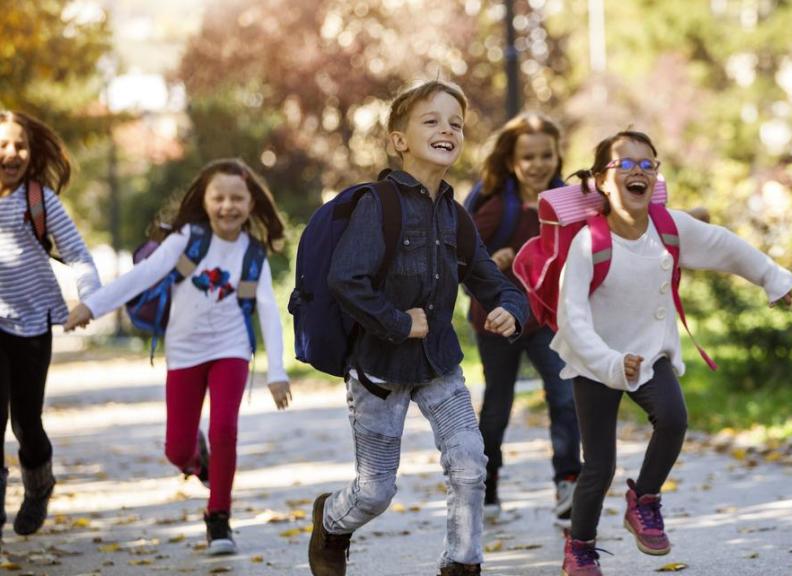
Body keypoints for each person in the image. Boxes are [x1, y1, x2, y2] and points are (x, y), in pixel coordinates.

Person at [306, 80, 528, 576]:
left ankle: (461, 564)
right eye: (431, 120)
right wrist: (397, 321)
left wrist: (512, 311)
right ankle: (331, 521)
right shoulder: (378, 205)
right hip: (378, 371)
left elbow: (495, 284)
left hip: (439, 365)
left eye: (456, 123)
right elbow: (346, 279)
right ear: (399, 140)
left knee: (470, 462)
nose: (447, 129)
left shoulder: (457, 217)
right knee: (375, 491)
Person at [551, 130, 792, 575]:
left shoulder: (669, 228)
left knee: (675, 418)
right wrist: (607, 361)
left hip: (649, 355)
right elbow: (573, 319)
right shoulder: (589, 243)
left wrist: (773, 279)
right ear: (603, 181)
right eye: (625, 164)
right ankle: (580, 547)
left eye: (648, 163)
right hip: (595, 362)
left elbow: (725, 246)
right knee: (598, 467)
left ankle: (644, 499)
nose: (638, 170)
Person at [64, 158, 292, 555]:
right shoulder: (187, 238)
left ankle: (218, 517)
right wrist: (93, 306)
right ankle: (200, 465)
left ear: (251, 204)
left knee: (225, 430)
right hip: (185, 353)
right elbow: (142, 276)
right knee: (176, 450)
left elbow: (269, 310)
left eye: (237, 198)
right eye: (218, 197)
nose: (228, 206)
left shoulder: (251, 253)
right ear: (204, 201)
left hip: (230, 350)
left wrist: (276, 372)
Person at [466, 112, 581, 524]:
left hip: (547, 317)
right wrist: (490, 262)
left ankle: (568, 481)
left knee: (565, 396)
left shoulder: (568, 200)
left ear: (557, 155)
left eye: (546, 155)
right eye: (528, 156)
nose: (538, 164)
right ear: (512, 159)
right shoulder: (498, 204)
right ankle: (488, 481)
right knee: (498, 404)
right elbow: (463, 254)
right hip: (497, 317)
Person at [0, 110, 102, 548]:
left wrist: (88, 299)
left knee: (26, 422)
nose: (11, 153)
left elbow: (78, 254)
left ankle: (39, 484)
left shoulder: (37, 199)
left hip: (32, 325)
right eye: (3, 145)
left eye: (19, 145)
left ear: (32, 151)